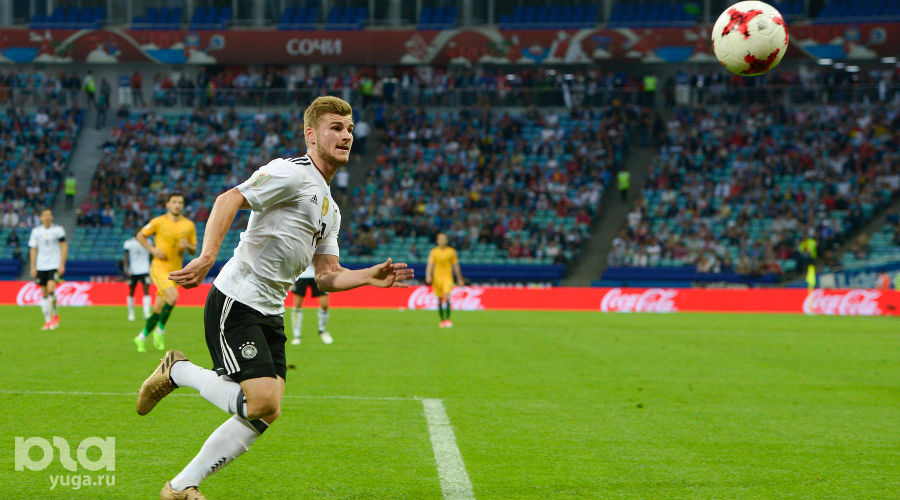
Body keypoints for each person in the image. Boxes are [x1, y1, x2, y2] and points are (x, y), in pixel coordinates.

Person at [135, 96, 413, 500]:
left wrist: (368, 276)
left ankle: (179, 487)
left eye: (350, 129)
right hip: (237, 298)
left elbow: (327, 275)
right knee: (261, 401)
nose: (346, 136)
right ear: (311, 135)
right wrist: (207, 256)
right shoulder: (292, 172)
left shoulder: (331, 209)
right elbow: (228, 199)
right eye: (336, 127)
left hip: (270, 311)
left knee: (267, 412)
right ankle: (177, 370)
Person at [134, 193, 197, 352]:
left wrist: (188, 246)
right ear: (167, 204)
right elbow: (140, 235)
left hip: (175, 270)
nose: (177, 205)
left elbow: (194, 249)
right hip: (159, 267)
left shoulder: (189, 225)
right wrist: (153, 250)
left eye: (180, 202)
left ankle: (141, 337)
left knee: (158, 309)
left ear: (183, 205)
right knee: (173, 297)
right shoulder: (158, 222)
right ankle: (160, 331)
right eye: (174, 202)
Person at [28, 208, 67, 330]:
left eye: (49, 215)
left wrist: (62, 264)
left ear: (52, 217)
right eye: (45, 215)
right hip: (41, 265)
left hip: (54, 265)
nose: (47, 217)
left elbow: (64, 246)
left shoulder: (58, 230)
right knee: (44, 293)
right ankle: (47, 321)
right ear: (40, 217)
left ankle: (55, 315)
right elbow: (33, 249)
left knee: (51, 289)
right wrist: (33, 267)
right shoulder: (36, 232)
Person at [425, 233, 464, 328]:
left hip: (447, 278)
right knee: (439, 300)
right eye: (440, 239)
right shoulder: (434, 252)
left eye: (443, 239)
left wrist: (459, 278)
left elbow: (456, 266)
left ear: (446, 240)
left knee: (446, 297)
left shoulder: (451, 251)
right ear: (437, 241)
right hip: (437, 278)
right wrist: (428, 275)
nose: (442, 240)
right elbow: (430, 264)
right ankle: (442, 320)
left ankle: (448, 319)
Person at [289, 264, 333, 345]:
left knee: (324, 305)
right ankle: (296, 335)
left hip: (319, 274)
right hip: (301, 275)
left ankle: (322, 331)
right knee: (297, 305)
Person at [123, 235, 152, 323]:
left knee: (146, 290)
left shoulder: (148, 241)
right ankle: (131, 313)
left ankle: (146, 312)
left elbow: (151, 255)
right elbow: (126, 257)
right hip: (133, 271)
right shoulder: (129, 243)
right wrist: (126, 268)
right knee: (131, 291)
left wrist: (152, 267)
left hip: (145, 269)